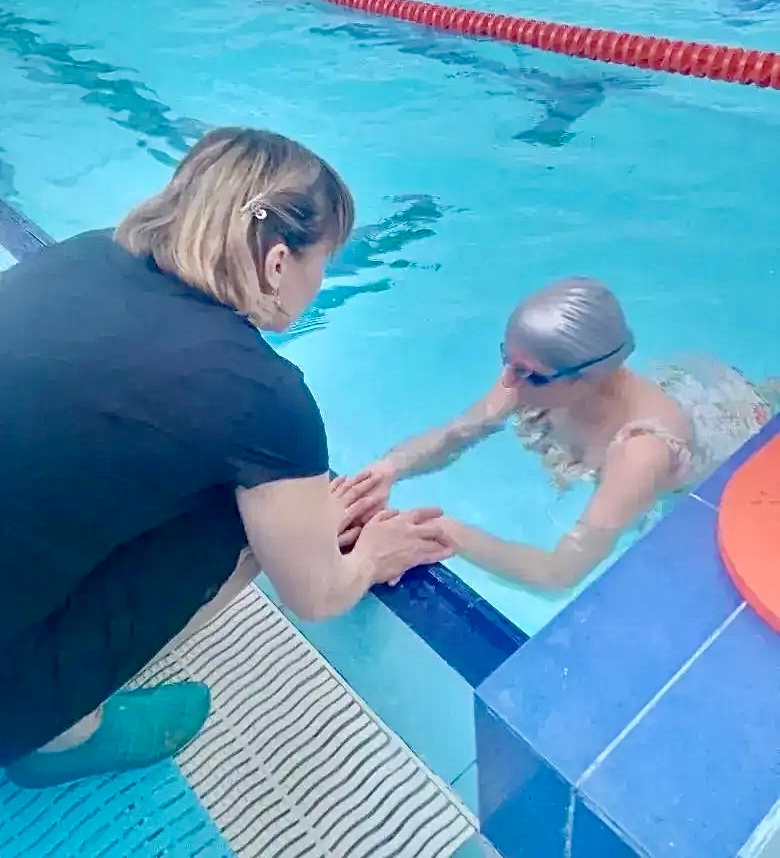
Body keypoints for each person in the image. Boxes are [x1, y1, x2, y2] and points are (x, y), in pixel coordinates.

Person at [0, 127, 453, 788]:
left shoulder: (82, 253)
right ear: (278, 263)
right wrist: (367, 557)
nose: (320, 281)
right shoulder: (260, 395)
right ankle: (62, 734)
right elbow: (315, 596)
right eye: (323, 261)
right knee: (235, 515)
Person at [336, 277, 776, 593]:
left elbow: (558, 574)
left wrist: (447, 531)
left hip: (722, 434)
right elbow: (459, 432)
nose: (507, 381)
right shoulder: (538, 376)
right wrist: (391, 467)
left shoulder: (640, 454)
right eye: (506, 359)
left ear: (587, 378)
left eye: (526, 372)